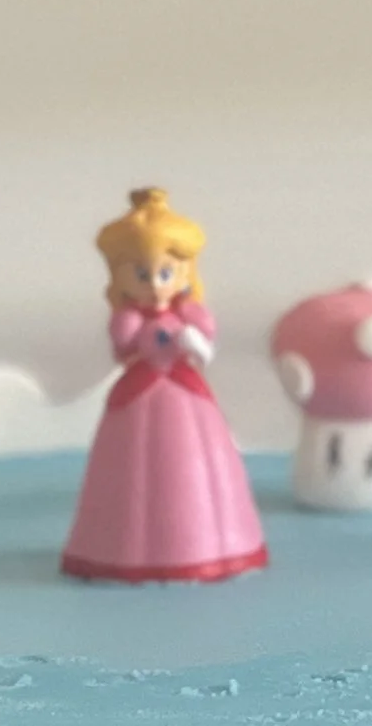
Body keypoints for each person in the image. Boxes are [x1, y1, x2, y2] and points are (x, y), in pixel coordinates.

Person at [60, 187, 267, 584]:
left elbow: (205, 353)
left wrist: (193, 343)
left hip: (187, 399)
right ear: (119, 276)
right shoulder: (128, 320)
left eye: (165, 273)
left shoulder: (192, 315)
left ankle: (206, 548)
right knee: (132, 471)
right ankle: (120, 552)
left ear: (185, 272)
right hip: (140, 400)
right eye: (142, 274)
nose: (155, 284)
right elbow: (124, 349)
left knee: (196, 469)